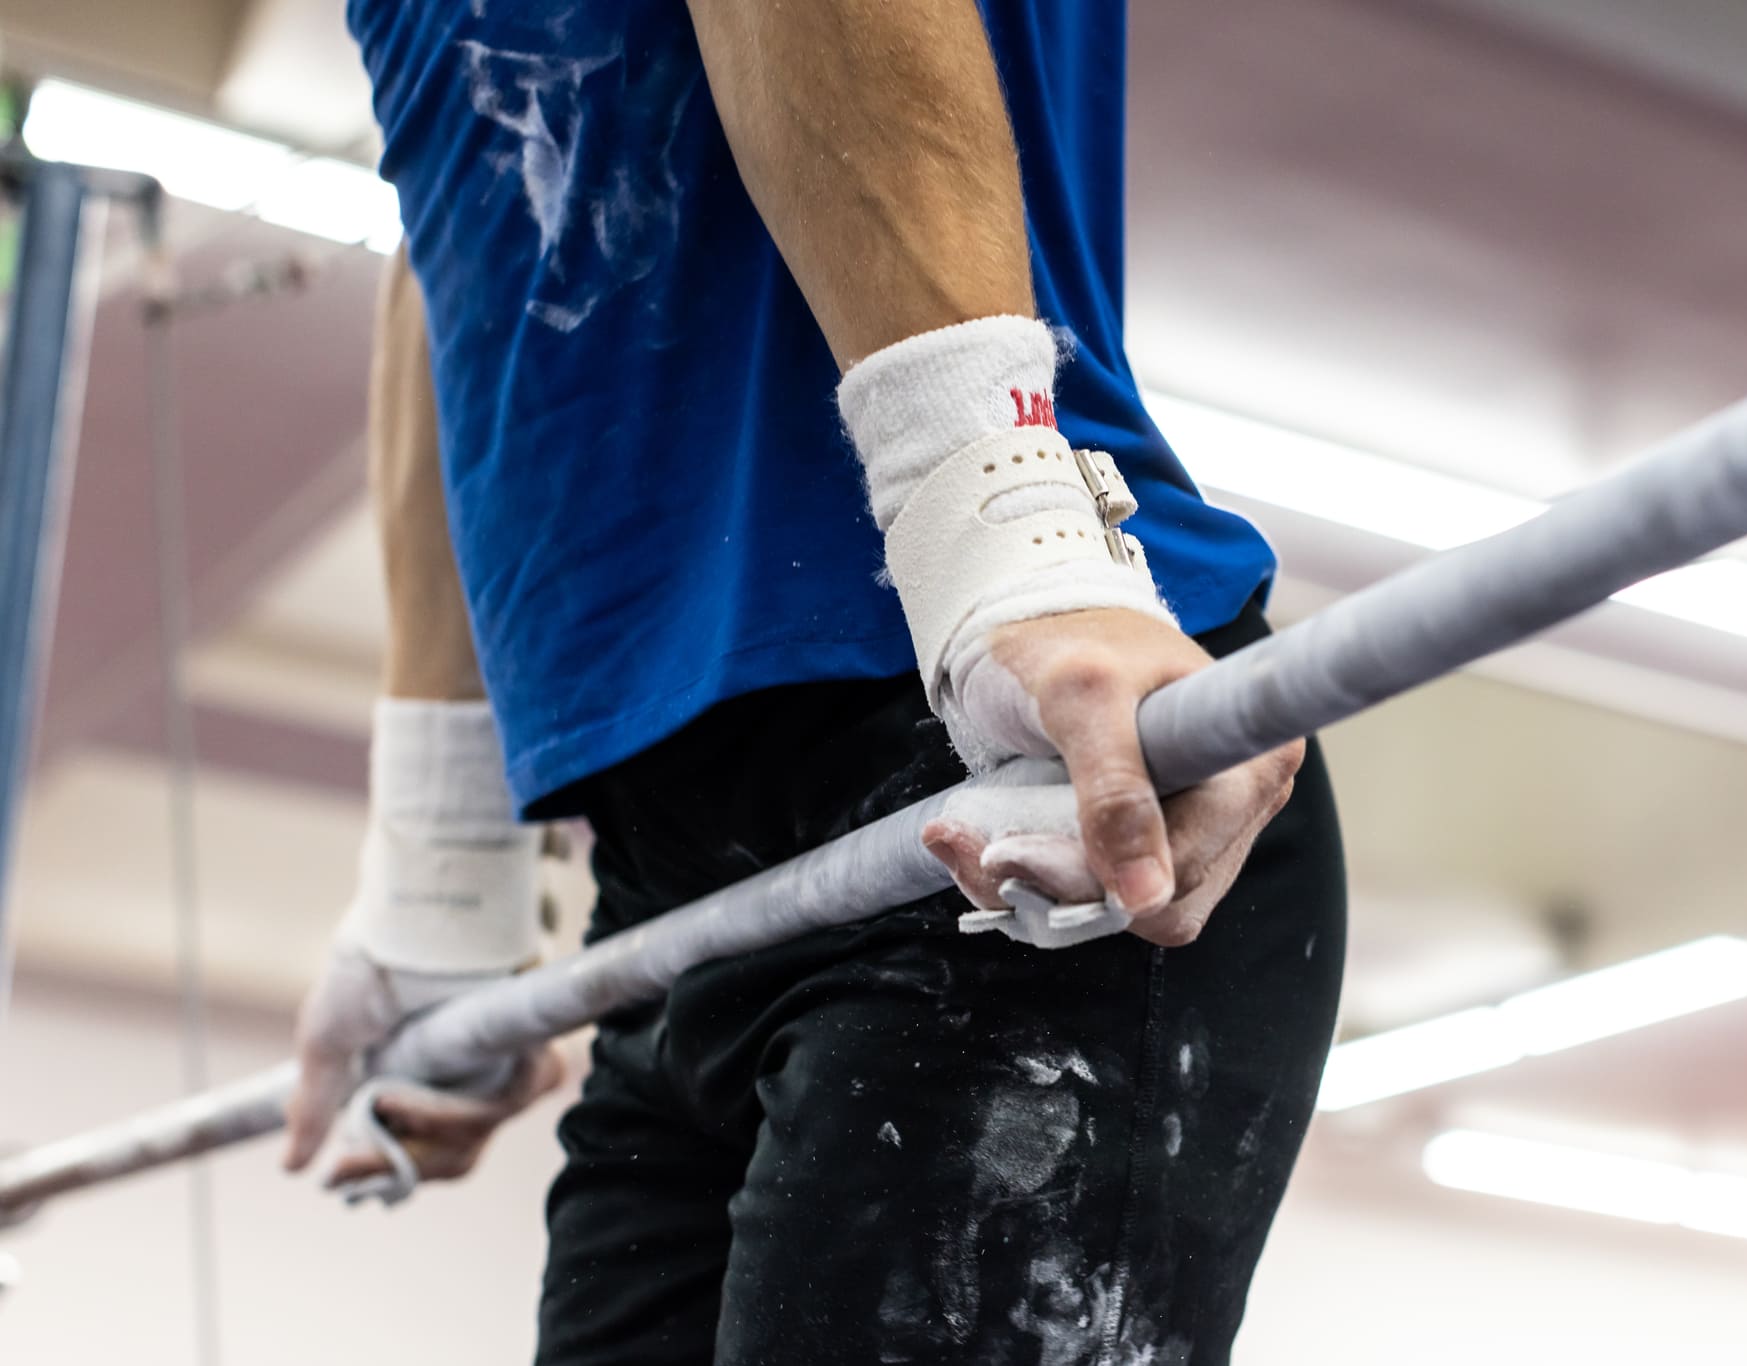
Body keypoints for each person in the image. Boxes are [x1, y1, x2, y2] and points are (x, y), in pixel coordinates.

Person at [285, 3, 1348, 1361]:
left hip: (998, 800)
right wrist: (434, 868)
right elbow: (468, 199)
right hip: (673, 882)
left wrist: (999, 524)